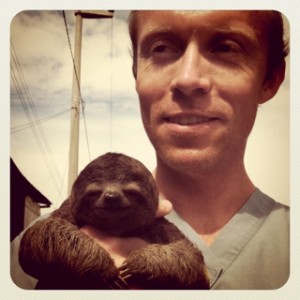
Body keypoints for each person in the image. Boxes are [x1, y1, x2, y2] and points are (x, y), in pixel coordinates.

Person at [11, 10, 289, 290]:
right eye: (162, 47)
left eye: (226, 47)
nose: (188, 79)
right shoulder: (28, 246)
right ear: (136, 73)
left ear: (271, 79)